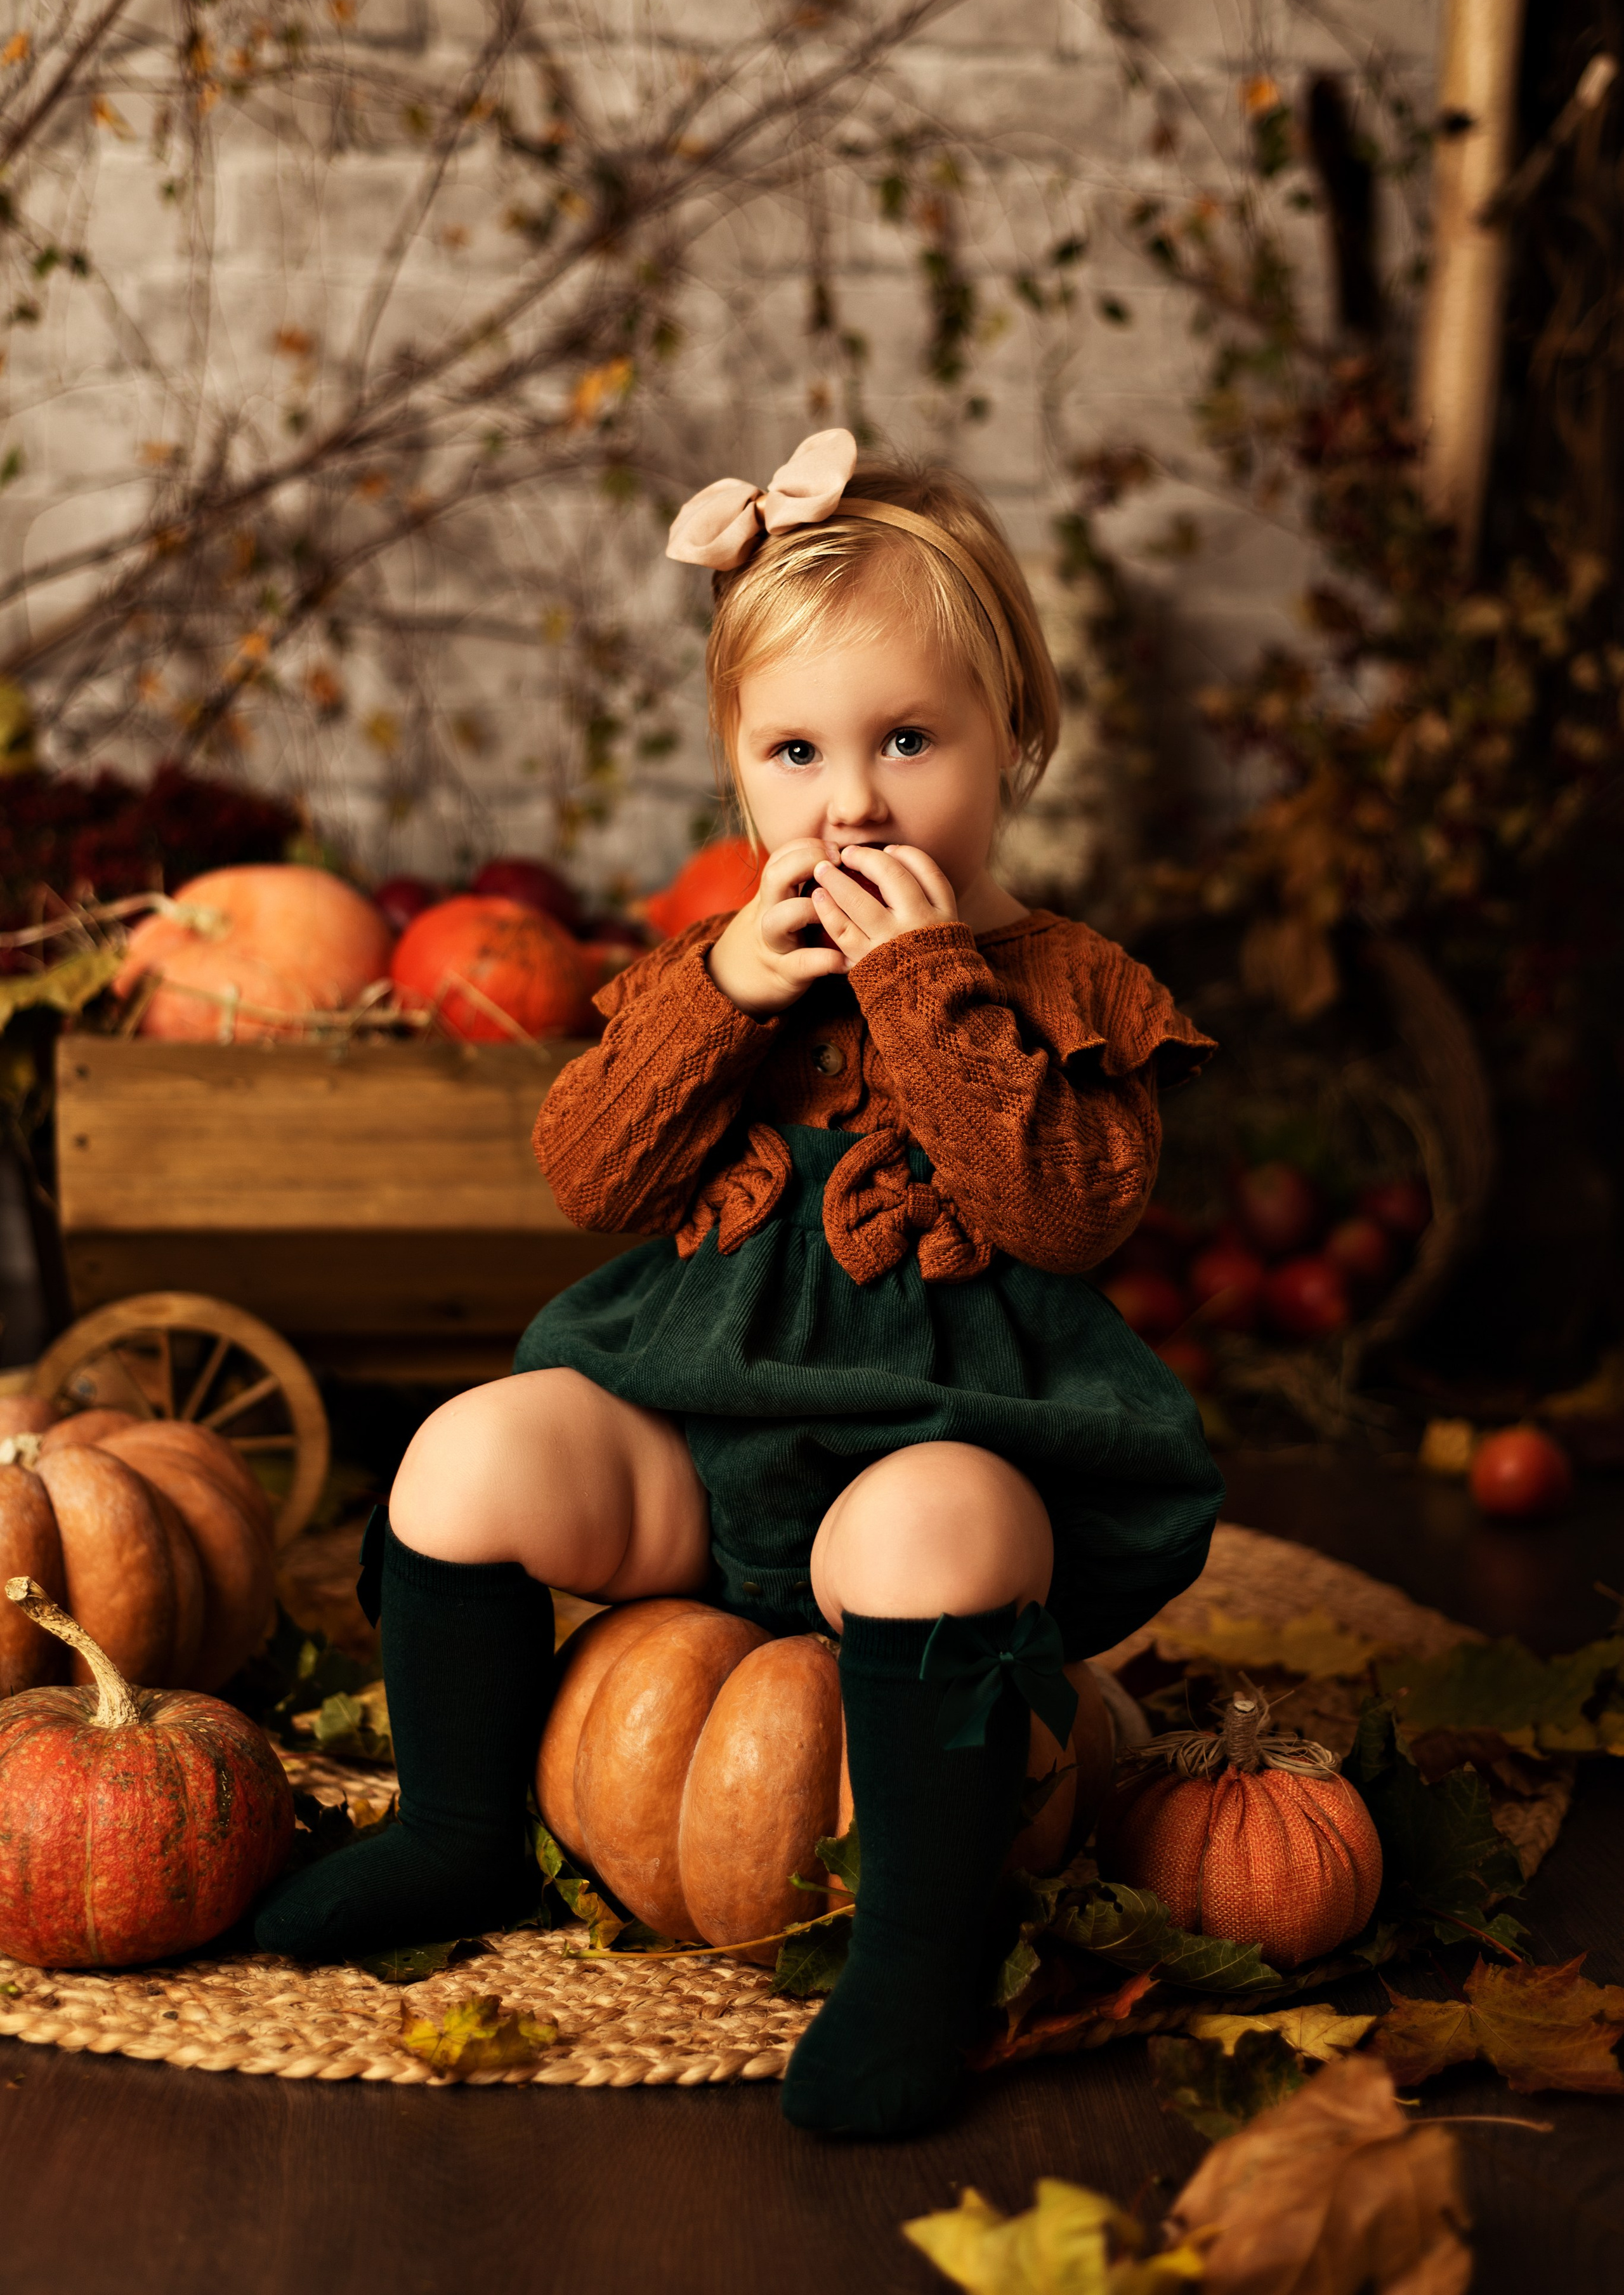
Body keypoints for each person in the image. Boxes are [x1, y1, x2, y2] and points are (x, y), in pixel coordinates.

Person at [256, 429, 1224, 2136]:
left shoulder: (1068, 981)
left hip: (933, 1457)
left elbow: (1066, 1211)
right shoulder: (718, 972)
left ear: (1018, 739)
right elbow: (590, 1175)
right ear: (740, 778)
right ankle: (460, 1827)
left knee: (937, 1525)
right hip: (699, 1453)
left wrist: (924, 980)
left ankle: (922, 1949)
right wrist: (714, 991)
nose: (849, 800)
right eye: (796, 751)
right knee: (467, 1453)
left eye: (908, 741)